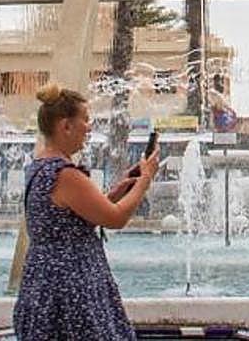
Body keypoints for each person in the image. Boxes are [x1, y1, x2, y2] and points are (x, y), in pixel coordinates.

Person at [12, 83, 159, 340]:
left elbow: (66, 218)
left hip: (43, 279)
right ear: (65, 126)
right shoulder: (65, 174)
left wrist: (114, 193)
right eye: (85, 120)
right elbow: (115, 218)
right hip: (72, 285)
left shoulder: (40, 167)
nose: (89, 127)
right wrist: (145, 180)